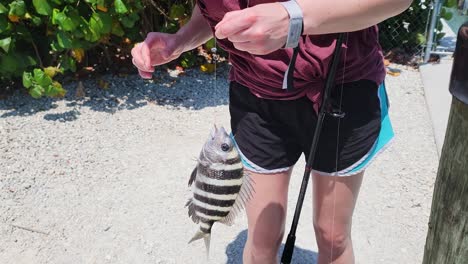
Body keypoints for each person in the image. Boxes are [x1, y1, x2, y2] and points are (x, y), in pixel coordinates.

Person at [131, 1, 412, 263]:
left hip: (344, 88)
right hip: (257, 96)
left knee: (332, 235)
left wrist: (295, 17)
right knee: (262, 238)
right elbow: (214, 10)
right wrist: (181, 39)